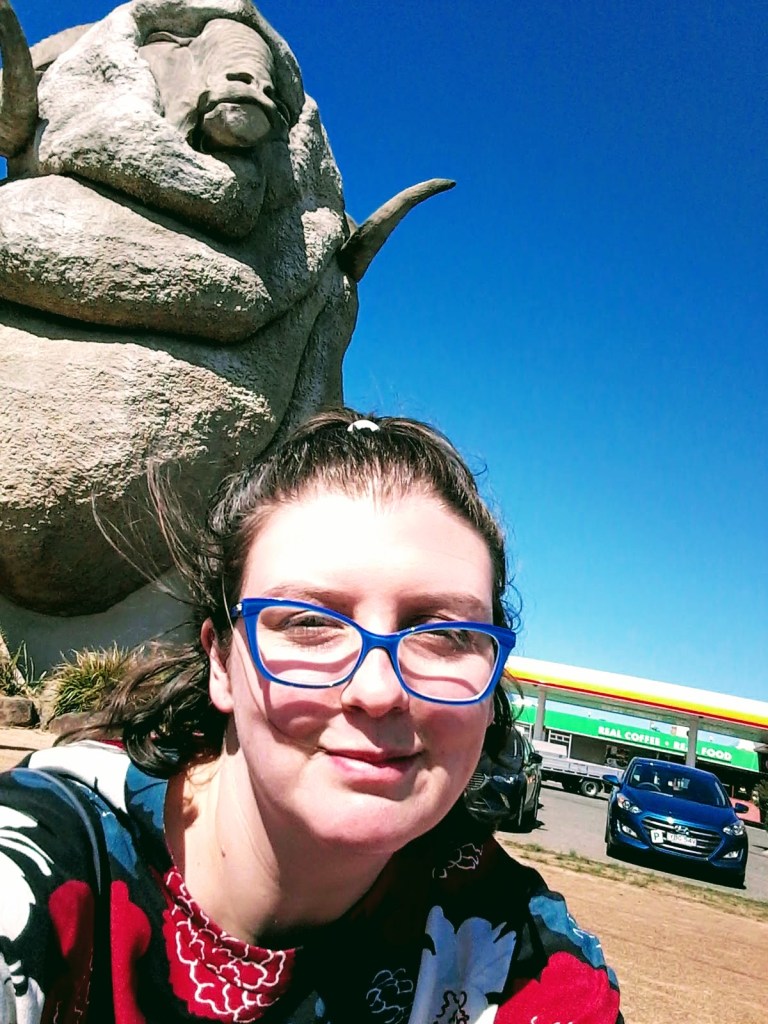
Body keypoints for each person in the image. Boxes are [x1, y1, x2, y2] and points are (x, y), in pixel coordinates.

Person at [0, 409, 623, 1024]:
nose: (377, 691)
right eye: (311, 624)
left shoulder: (519, 960)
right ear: (221, 661)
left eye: (444, 635)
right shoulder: (45, 856)